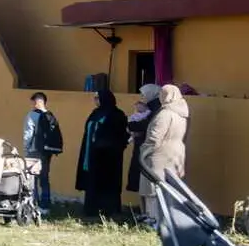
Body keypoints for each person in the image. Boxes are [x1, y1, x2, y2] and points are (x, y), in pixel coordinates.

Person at [140, 83, 190, 223]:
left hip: (159, 155)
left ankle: (154, 218)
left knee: (153, 187)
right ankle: (169, 218)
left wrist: (143, 151)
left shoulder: (165, 114)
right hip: (176, 153)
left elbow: (154, 137)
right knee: (171, 188)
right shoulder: (183, 114)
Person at [75, 89, 129, 217]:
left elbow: (121, 135)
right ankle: (92, 209)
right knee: (93, 181)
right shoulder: (95, 113)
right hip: (92, 154)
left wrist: (107, 144)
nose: (95, 100)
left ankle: (109, 210)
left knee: (108, 182)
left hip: (109, 157)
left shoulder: (117, 115)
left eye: (97, 98)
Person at [23, 92, 64, 215]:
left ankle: (33, 204)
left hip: (34, 150)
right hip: (47, 151)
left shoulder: (31, 115)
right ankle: (45, 206)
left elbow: (28, 134)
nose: (33, 103)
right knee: (44, 178)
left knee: (32, 178)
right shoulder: (50, 115)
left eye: (34, 101)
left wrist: (26, 150)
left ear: (39, 101)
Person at [126, 84, 162, 221]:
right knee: (142, 183)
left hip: (147, 150)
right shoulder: (151, 106)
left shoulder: (155, 108)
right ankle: (145, 212)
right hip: (142, 147)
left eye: (144, 94)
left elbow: (144, 126)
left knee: (147, 184)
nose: (142, 97)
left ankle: (150, 214)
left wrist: (131, 125)